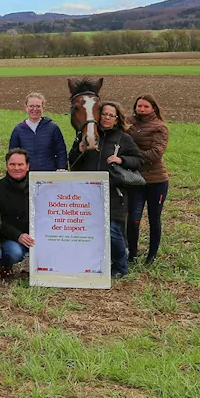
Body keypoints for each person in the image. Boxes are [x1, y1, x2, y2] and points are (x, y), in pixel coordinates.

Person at [69, 100, 143, 277]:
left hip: (113, 192)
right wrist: (79, 150)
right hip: (88, 192)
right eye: (104, 114)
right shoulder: (87, 135)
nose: (107, 118)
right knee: (91, 230)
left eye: (111, 115)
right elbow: (72, 161)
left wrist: (121, 160)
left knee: (113, 230)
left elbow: (139, 160)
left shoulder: (123, 139)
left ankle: (120, 267)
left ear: (117, 119)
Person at [127, 94, 169, 266]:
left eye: (145, 106)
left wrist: (131, 156)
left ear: (153, 108)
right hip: (136, 180)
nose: (142, 110)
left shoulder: (160, 127)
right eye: (139, 106)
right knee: (133, 219)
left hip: (156, 181)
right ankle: (132, 254)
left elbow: (155, 154)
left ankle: (151, 255)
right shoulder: (129, 122)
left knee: (154, 218)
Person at [0, 149, 33, 280]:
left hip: (34, 235)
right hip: (10, 237)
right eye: (12, 164)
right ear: (6, 166)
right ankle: (5, 266)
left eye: (20, 165)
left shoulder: (38, 185)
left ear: (27, 166)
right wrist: (18, 236)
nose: (16, 168)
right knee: (14, 252)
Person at [8, 92, 67, 172]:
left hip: (49, 174)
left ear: (43, 108)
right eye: (31, 106)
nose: (35, 109)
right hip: (26, 175)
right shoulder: (18, 130)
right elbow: (13, 154)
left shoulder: (53, 128)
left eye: (38, 106)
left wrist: (61, 167)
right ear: (26, 107)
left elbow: (61, 151)